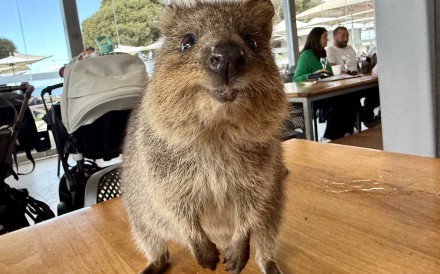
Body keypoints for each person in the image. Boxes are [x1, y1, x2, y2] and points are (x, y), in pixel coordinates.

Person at [293, 27, 359, 141]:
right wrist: (313, 74)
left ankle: (346, 131)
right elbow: (296, 78)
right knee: (339, 102)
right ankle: (330, 136)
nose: (327, 39)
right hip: (312, 94)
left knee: (351, 97)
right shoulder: (306, 55)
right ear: (316, 38)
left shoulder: (322, 53)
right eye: (324, 37)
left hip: (324, 90)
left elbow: (328, 72)